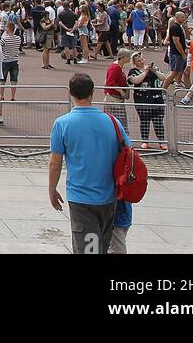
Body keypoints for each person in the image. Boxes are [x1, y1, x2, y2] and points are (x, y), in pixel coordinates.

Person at [48, 73, 127, 254]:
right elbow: (126, 153)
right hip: (108, 196)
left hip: (81, 197)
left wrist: (52, 189)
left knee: (88, 249)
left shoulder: (62, 124)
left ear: (70, 93)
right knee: (101, 248)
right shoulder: (112, 122)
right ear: (93, 92)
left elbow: (55, 164)